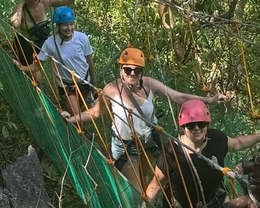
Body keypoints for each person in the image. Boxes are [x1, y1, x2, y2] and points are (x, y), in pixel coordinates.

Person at [62, 46, 230, 197]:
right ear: (121, 69)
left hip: (148, 143)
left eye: (137, 70)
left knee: (145, 181)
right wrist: (73, 118)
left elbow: (177, 96)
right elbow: (96, 112)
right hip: (124, 146)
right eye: (128, 70)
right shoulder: (111, 89)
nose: (132, 73)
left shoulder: (148, 84)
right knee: (135, 193)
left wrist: (210, 99)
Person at [37, 7, 96, 116]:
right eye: (65, 25)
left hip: (85, 83)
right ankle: (67, 109)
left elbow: (89, 62)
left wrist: (93, 84)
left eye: (71, 24)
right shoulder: (50, 43)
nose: (69, 28)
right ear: (57, 26)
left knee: (95, 113)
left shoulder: (82, 38)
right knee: (78, 122)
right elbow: (38, 65)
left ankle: (65, 108)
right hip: (66, 87)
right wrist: (23, 67)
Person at [10, 0, 81, 65]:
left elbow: (68, 0)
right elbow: (15, 24)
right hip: (23, 46)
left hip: (39, 46)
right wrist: (21, 3)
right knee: (27, 74)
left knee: (36, 76)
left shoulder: (45, 3)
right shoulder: (21, 10)